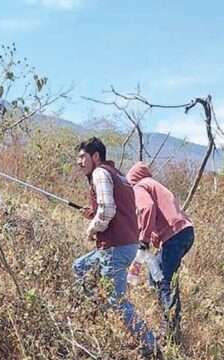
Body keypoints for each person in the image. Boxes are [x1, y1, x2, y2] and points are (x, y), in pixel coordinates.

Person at [72, 137, 158, 358]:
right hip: (125, 244)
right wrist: (94, 213)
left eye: (82, 157)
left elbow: (108, 211)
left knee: (117, 300)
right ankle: (96, 314)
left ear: (96, 156)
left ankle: (150, 344)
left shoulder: (100, 173)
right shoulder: (118, 175)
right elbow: (115, 209)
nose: (79, 162)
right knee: (80, 267)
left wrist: (92, 228)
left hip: (115, 247)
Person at [127, 162, 194, 343]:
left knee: (165, 281)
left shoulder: (139, 186)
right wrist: (153, 237)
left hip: (176, 236)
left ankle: (171, 330)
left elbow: (147, 208)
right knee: (156, 275)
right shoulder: (153, 185)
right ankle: (166, 321)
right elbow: (161, 214)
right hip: (185, 233)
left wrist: (144, 240)